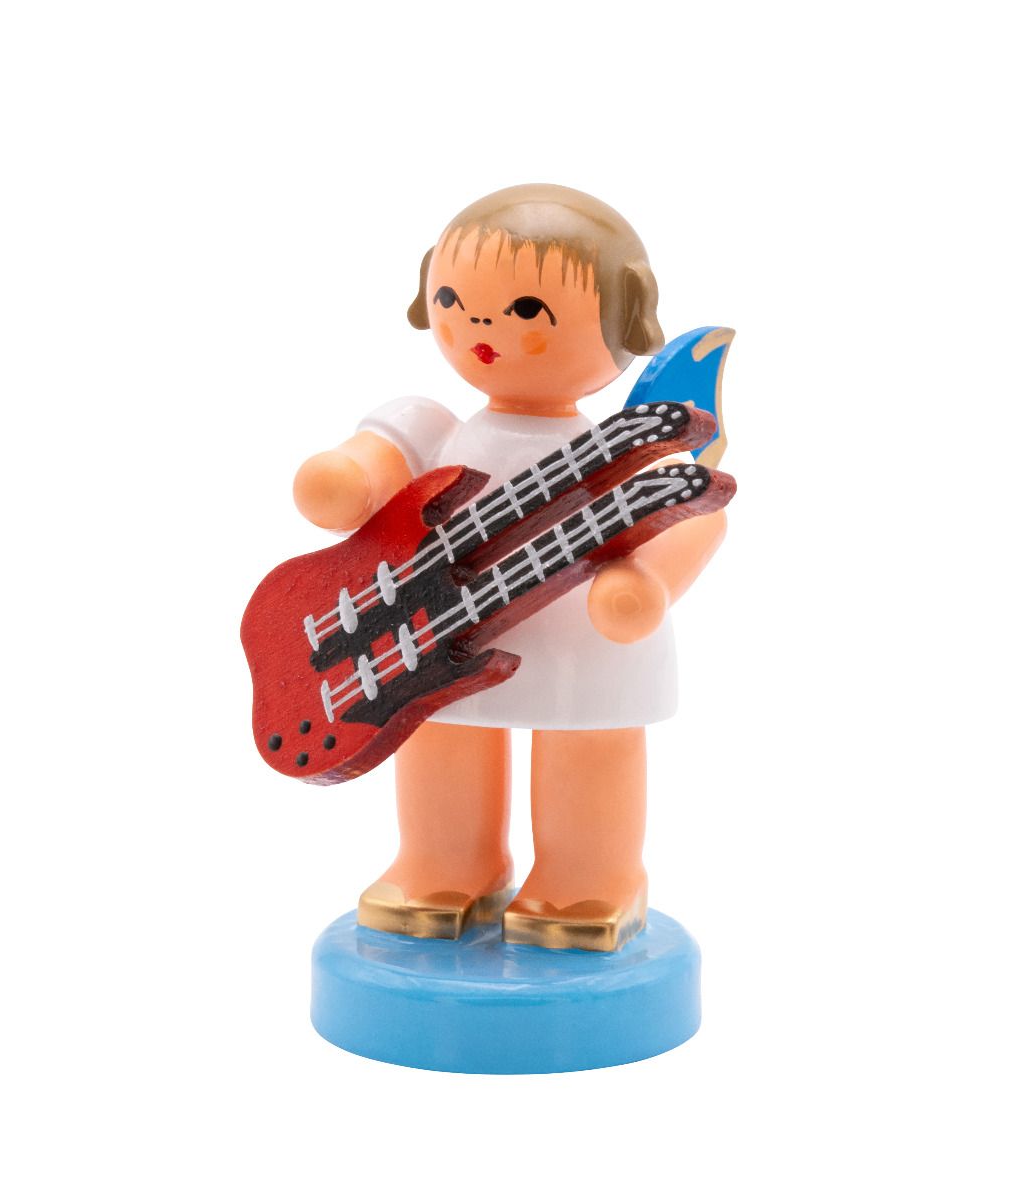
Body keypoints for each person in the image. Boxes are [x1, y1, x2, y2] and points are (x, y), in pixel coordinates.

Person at [292, 184, 727, 951]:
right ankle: (446, 861)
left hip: (584, 633)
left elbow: (696, 514)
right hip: (441, 626)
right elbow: (373, 462)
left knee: (588, 743)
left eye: (527, 309)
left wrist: (649, 582)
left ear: (625, 316)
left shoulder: (622, 451)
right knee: (441, 731)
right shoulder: (432, 424)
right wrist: (344, 480)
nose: (481, 326)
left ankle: (594, 876)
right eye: (453, 299)